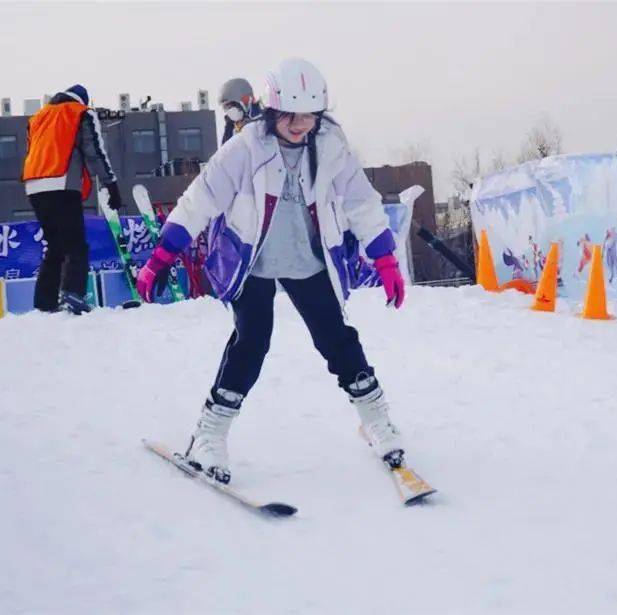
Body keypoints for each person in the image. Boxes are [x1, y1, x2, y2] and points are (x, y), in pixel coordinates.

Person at [136, 58, 407, 484]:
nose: (302, 126)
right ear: (273, 110)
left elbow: (360, 201)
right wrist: (162, 256)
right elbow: (199, 200)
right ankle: (209, 434)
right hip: (252, 261)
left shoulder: (331, 144)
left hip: (308, 258)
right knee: (252, 340)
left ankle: (376, 419)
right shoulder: (245, 147)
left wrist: (385, 257)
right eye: (292, 117)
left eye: (310, 117)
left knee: (336, 337)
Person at [22, 84, 121, 314]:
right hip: (62, 182)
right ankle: (72, 294)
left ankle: (43, 303)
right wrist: (111, 185)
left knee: (55, 246)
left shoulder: (39, 116)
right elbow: (94, 151)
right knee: (76, 244)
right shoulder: (81, 112)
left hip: (34, 185)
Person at [218, 78, 263, 145]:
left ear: (245, 100)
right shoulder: (231, 127)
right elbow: (225, 150)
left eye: (231, 105)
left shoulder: (263, 119)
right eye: (226, 107)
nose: (229, 111)